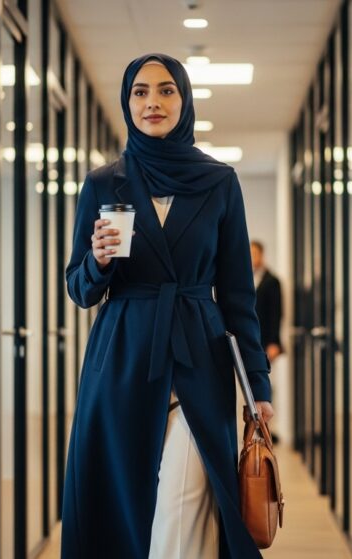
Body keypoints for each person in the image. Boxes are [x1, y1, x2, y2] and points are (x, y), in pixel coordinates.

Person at [61, 54, 274, 559]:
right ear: (127, 102)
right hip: (122, 360)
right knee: (123, 504)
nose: (152, 102)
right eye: (139, 91)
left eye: (165, 90)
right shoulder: (102, 184)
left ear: (184, 99)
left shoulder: (219, 182)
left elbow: (239, 295)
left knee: (185, 507)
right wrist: (98, 261)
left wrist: (257, 386)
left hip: (201, 359)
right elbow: (79, 289)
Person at [250, 241, 283, 363]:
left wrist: (274, 342)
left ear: (261, 254)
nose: (252, 257)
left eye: (255, 253)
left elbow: (276, 313)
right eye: (250, 254)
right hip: (251, 335)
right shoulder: (248, 278)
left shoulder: (272, 281)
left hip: (266, 338)